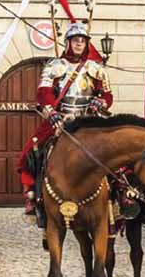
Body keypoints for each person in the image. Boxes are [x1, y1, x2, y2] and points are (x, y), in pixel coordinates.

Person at [18, 23, 113, 223]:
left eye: (83, 41)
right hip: (62, 118)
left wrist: (101, 101)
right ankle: (34, 197)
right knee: (32, 151)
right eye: (76, 40)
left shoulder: (96, 68)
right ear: (68, 43)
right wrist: (50, 111)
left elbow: (107, 94)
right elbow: (43, 93)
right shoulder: (55, 65)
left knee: (115, 150)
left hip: (88, 118)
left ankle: (120, 197)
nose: (79, 44)